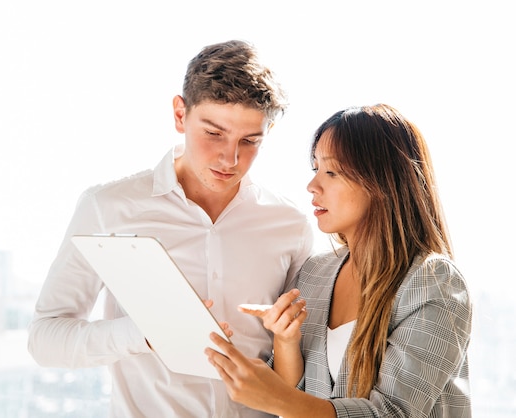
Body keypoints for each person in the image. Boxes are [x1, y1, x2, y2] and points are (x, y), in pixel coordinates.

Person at [27, 39, 315, 417]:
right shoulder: (108, 208)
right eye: (214, 133)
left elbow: (303, 365)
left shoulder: (289, 225)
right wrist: (142, 333)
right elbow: (44, 340)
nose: (230, 158)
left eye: (249, 141)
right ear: (180, 114)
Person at [205, 104, 473, 417]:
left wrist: (274, 398)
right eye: (315, 168)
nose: (312, 186)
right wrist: (286, 340)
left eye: (331, 172)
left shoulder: (432, 281)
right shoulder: (316, 273)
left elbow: (395, 412)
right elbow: (301, 396)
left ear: (382, 181)